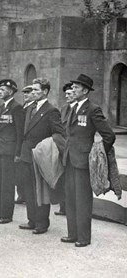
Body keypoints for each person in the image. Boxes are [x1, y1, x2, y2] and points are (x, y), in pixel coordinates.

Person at [61, 74, 115, 247]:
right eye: (73, 87)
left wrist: (97, 154)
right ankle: (72, 233)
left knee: (82, 200)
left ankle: (84, 237)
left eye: (76, 87)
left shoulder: (93, 109)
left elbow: (109, 136)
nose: (73, 90)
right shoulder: (71, 108)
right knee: (70, 198)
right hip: (69, 159)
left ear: (85, 91)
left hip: (84, 162)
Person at [19, 78, 64, 235]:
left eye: (36, 90)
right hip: (26, 154)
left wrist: (45, 147)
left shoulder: (51, 111)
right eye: (32, 90)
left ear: (45, 92)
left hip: (40, 155)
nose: (33, 93)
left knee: (40, 190)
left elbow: (58, 133)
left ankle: (42, 223)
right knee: (29, 189)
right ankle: (32, 220)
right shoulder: (30, 108)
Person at [0, 79, 24, 224]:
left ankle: (7, 214)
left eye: (3, 90)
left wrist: (18, 153)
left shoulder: (16, 108)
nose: (0, 92)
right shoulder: (2, 107)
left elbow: (19, 132)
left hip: (9, 151)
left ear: (10, 91)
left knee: (7, 183)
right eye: (0, 89)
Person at [55, 82, 77, 216]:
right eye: (66, 94)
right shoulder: (63, 109)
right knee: (62, 178)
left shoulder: (79, 110)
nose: (67, 96)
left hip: (73, 149)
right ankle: (63, 206)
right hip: (62, 147)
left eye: (69, 93)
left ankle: (71, 208)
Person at [15, 85, 34, 204]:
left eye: (28, 93)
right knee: (19, 171)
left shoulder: (32, 108)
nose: (26, 95)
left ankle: (25, 195)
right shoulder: (23, 107)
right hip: (21, 143)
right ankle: (21, 194)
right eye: (24, 93)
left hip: (28, 144)